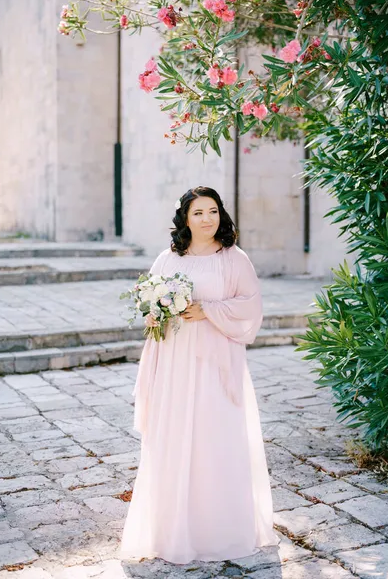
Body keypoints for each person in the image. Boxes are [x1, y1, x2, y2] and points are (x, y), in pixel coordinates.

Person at [120, 186, 278, 564]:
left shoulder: (234, 258)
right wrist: (158, 311)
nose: (207, 219)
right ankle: (171, 529)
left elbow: (250, 306)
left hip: (215, 360)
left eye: (213, 211)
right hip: (175, 361)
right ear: (185, 220)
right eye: (198, 213)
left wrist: (206, 310)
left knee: (214, 436)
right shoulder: (167, 258)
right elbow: (150, 305)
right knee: (174, 437)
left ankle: (218, 529)